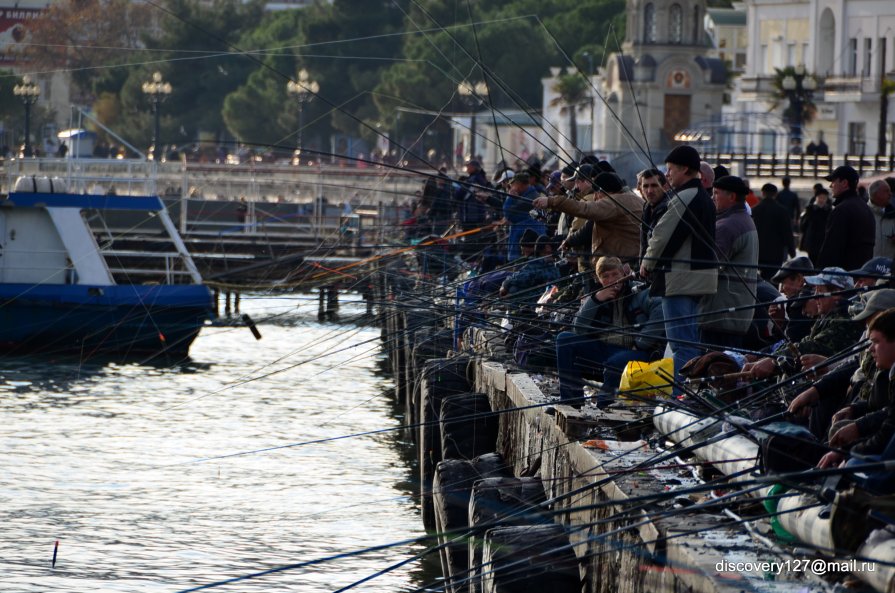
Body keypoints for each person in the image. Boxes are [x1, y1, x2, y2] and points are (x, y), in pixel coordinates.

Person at [640, 145, 718, 385]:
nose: (668, 174)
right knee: (689, 343)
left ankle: (680, 399)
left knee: (682, 347)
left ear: (685, 169)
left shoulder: (684, 196)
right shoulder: (702, 196)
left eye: (671, 169)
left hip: (681, 280)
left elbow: (662, 235)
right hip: (697, 279)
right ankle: (686, 395)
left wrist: (647, 263)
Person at [554, 256, 664, 407]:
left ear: (623, 274)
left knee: (615, 362)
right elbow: (578, 329)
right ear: (599, 279)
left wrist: (641, 343)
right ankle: (570, 402)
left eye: (615, 275)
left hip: (636, 351)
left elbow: (660, 310)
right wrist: (596, 300)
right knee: (564, 339)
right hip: (604, 348)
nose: (611, 280)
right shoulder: (596, 296)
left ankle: (603, 406)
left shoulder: (640, 291)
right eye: (605, 276)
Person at [532, 170, 643, 265]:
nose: (594, 197)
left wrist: (551, 201)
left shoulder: (612, 203)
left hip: (620, 264)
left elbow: (584, 209)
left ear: (601, 191)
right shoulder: (635, 199)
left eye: (596, 193)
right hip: (633, 259)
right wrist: (570, 241)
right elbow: (589, 226)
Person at [700, 175, 758, 349]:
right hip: (736, 313)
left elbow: (708, 268)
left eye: (716, 193)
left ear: (731, 197)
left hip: (720, 315)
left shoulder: (727, 226)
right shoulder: (745, 221)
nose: (712, 197)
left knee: (710, 366)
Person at [817, 165, 875, 270]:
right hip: (861, 272)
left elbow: (832, 247)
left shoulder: (841, 210)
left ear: (844, 183)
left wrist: (822, 272)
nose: (831, 186)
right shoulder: (865, 207)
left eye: (834, 181)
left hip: (842, 276)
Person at [751, 183, 795, 281]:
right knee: (772, 280)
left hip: (757, 251)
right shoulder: (782, 211)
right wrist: (792, 252)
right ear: (775, 194)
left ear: (762, 193)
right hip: (775, 253)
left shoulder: (754, 210)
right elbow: (787, 233)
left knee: (756, 281)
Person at [502, 172, 545, 261]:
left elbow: (508, 214)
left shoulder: (529, 199)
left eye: (512, 185)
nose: (511, 188)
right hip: (525, 245)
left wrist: (510, 197)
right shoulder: (528, 195)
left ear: (519, 184)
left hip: (525, 249)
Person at [637, 168, 669, 260]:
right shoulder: (646, 207)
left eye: (654, 185)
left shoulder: (670, 207)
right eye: (645, 186)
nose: (649, 191)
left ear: (665, 187)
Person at [799, 188, 831, 264]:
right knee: (812, 259)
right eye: (820, 197)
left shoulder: (829, 210)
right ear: (816, 197)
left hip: (823, 239)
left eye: (824, 198)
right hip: (812, 239)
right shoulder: (810, 209)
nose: (822, 200)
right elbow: (803, 225)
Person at [868, 179, 895, 259]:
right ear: (875, 194)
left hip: (889, 267)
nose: (890, 194)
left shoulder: (893, 215)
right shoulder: (864, 213)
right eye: (886, 191)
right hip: (867, 267)